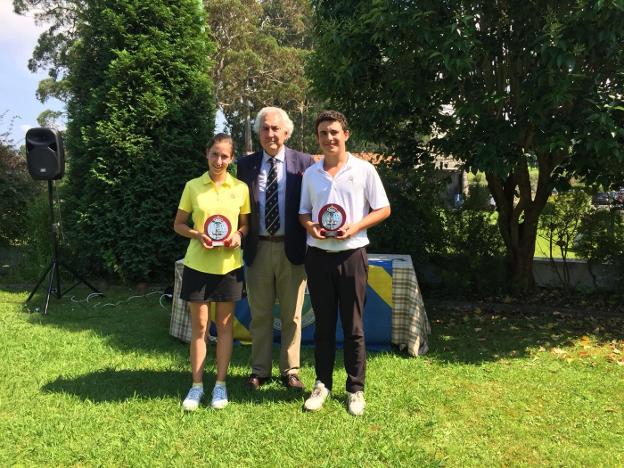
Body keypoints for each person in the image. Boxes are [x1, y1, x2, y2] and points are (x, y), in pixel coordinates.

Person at [299, 110, 391, 416]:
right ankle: (322, 384)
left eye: (334, 132)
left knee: (353, 326)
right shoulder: (311, 174)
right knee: (323, 325)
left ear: (345, 135)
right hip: (318, 256)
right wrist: (309, 226)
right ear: (318, 138)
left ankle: (355, 388)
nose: (329, 138)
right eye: (323, 133)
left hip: (352, 253)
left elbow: (383, 209)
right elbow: (303, 212)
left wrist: (356, 227)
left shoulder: (363, 170)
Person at [237, 107, 315, 391]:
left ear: (286, 132)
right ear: (259, 133)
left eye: (276, 128)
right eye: (265, 128)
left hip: (292, 249)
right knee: (259, 313)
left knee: (292, 315)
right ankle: (260, 370)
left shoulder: (305, 163)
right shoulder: (245, 166)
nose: (271, 134)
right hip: (257, 249)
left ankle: (290, 370)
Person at [173, 133, 250, 411]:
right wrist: (197, 233)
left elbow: (244, 226)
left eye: (224, 156)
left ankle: (220, 385)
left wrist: (239, 236)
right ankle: (196, 386)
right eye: (215, 154)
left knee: (226, 327)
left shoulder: (240, 188)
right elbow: (179, 224)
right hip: (197, 265)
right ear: (207, 153)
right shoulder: (192, 187)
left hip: (229, 266)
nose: (219, 160)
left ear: (231, 159)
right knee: (201, 328)